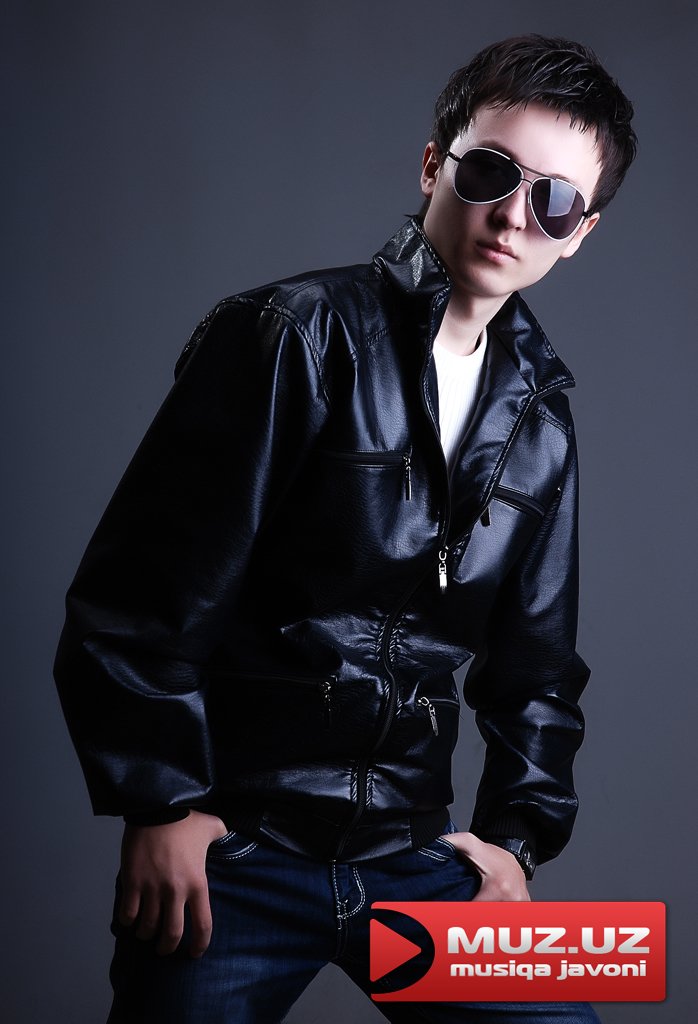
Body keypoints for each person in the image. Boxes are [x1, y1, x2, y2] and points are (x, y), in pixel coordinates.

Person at [54, 34, 637, 1024]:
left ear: (578, 232)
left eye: (552, 201)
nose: (512, 216)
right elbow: (144, 592)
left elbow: (536, 666)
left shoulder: (539, 419)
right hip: (235, 851)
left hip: (414, 856)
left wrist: (514, 843)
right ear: (433, 164)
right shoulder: (291, 333)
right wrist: (160, 805)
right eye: (491, 172)